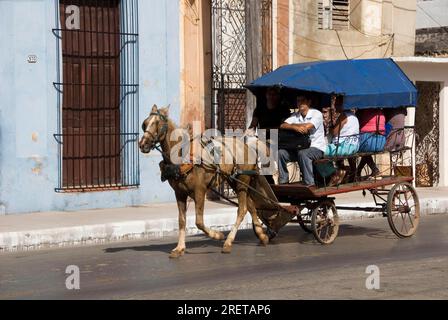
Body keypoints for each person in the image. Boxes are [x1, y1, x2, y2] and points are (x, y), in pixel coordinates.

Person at [278, 94, 326, 187]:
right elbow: (282, 125)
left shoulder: (317, 114)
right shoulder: (295, 115)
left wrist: (295, 126)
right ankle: (283, 181)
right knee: (280, 153)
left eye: (302, 100)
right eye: (298, 101)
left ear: (309, 102)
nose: (300, 103)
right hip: (298, 148)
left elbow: (306, 127)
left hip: (316, 148)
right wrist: (294, 127)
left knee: (303, 153)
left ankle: (309, 183)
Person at [322, 99, 360, 186]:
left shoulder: (343, 115)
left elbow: (335, 132)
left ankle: (334, 173)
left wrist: (331, 128)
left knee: (318, 153)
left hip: (345, 146)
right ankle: (342, 170)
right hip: (354, 145)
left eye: (337, 105)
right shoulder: (353, 115)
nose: (335, 107)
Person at [356, 108, 386, 179]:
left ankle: (373, 169)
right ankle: (358, 171)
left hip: (369, 140)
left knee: (356, 148)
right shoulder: (380, 112)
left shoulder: (362, 111)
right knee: (365, 150)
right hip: (380, 142)